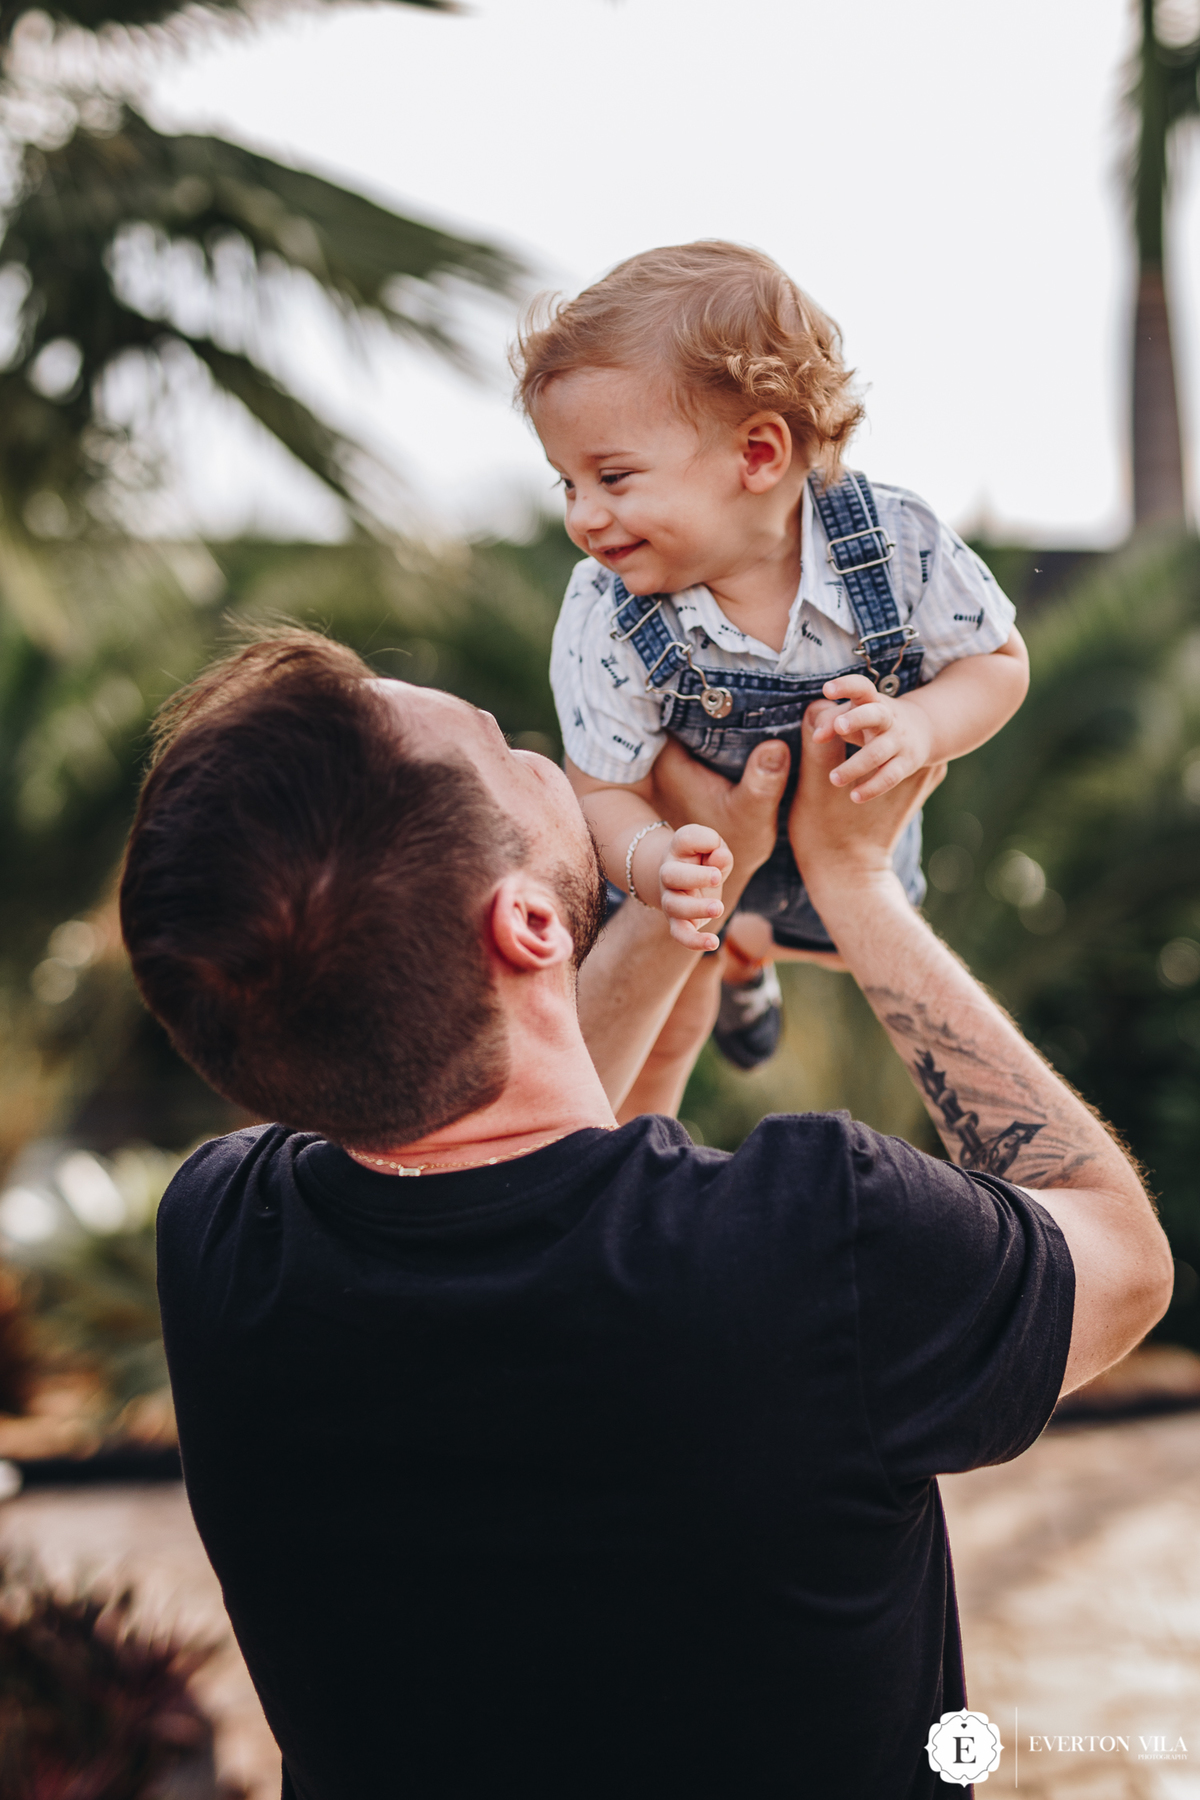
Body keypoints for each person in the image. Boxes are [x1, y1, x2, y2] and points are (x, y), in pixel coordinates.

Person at [119, 631, 1171, 1800]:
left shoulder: (221, 1248)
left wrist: (683, 909)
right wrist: (856, 883)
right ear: (523, 929)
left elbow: (509, 1144)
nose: (552, 761)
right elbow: (1122, 1255)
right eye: (507, 749)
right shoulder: (822, 1244)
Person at [514, 241, 1030, 1067]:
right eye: (566, 483)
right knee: (678, 978)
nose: (583, 516)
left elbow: (998, 662)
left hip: (849, 887)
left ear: (757, 456)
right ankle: (735, 960)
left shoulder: (895, 545)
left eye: (613, 477)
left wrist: (921, 725)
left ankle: (749, 953)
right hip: (698, 874)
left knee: (831, 947)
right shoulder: (607, 613)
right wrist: (653, 863)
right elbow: (604, 788)